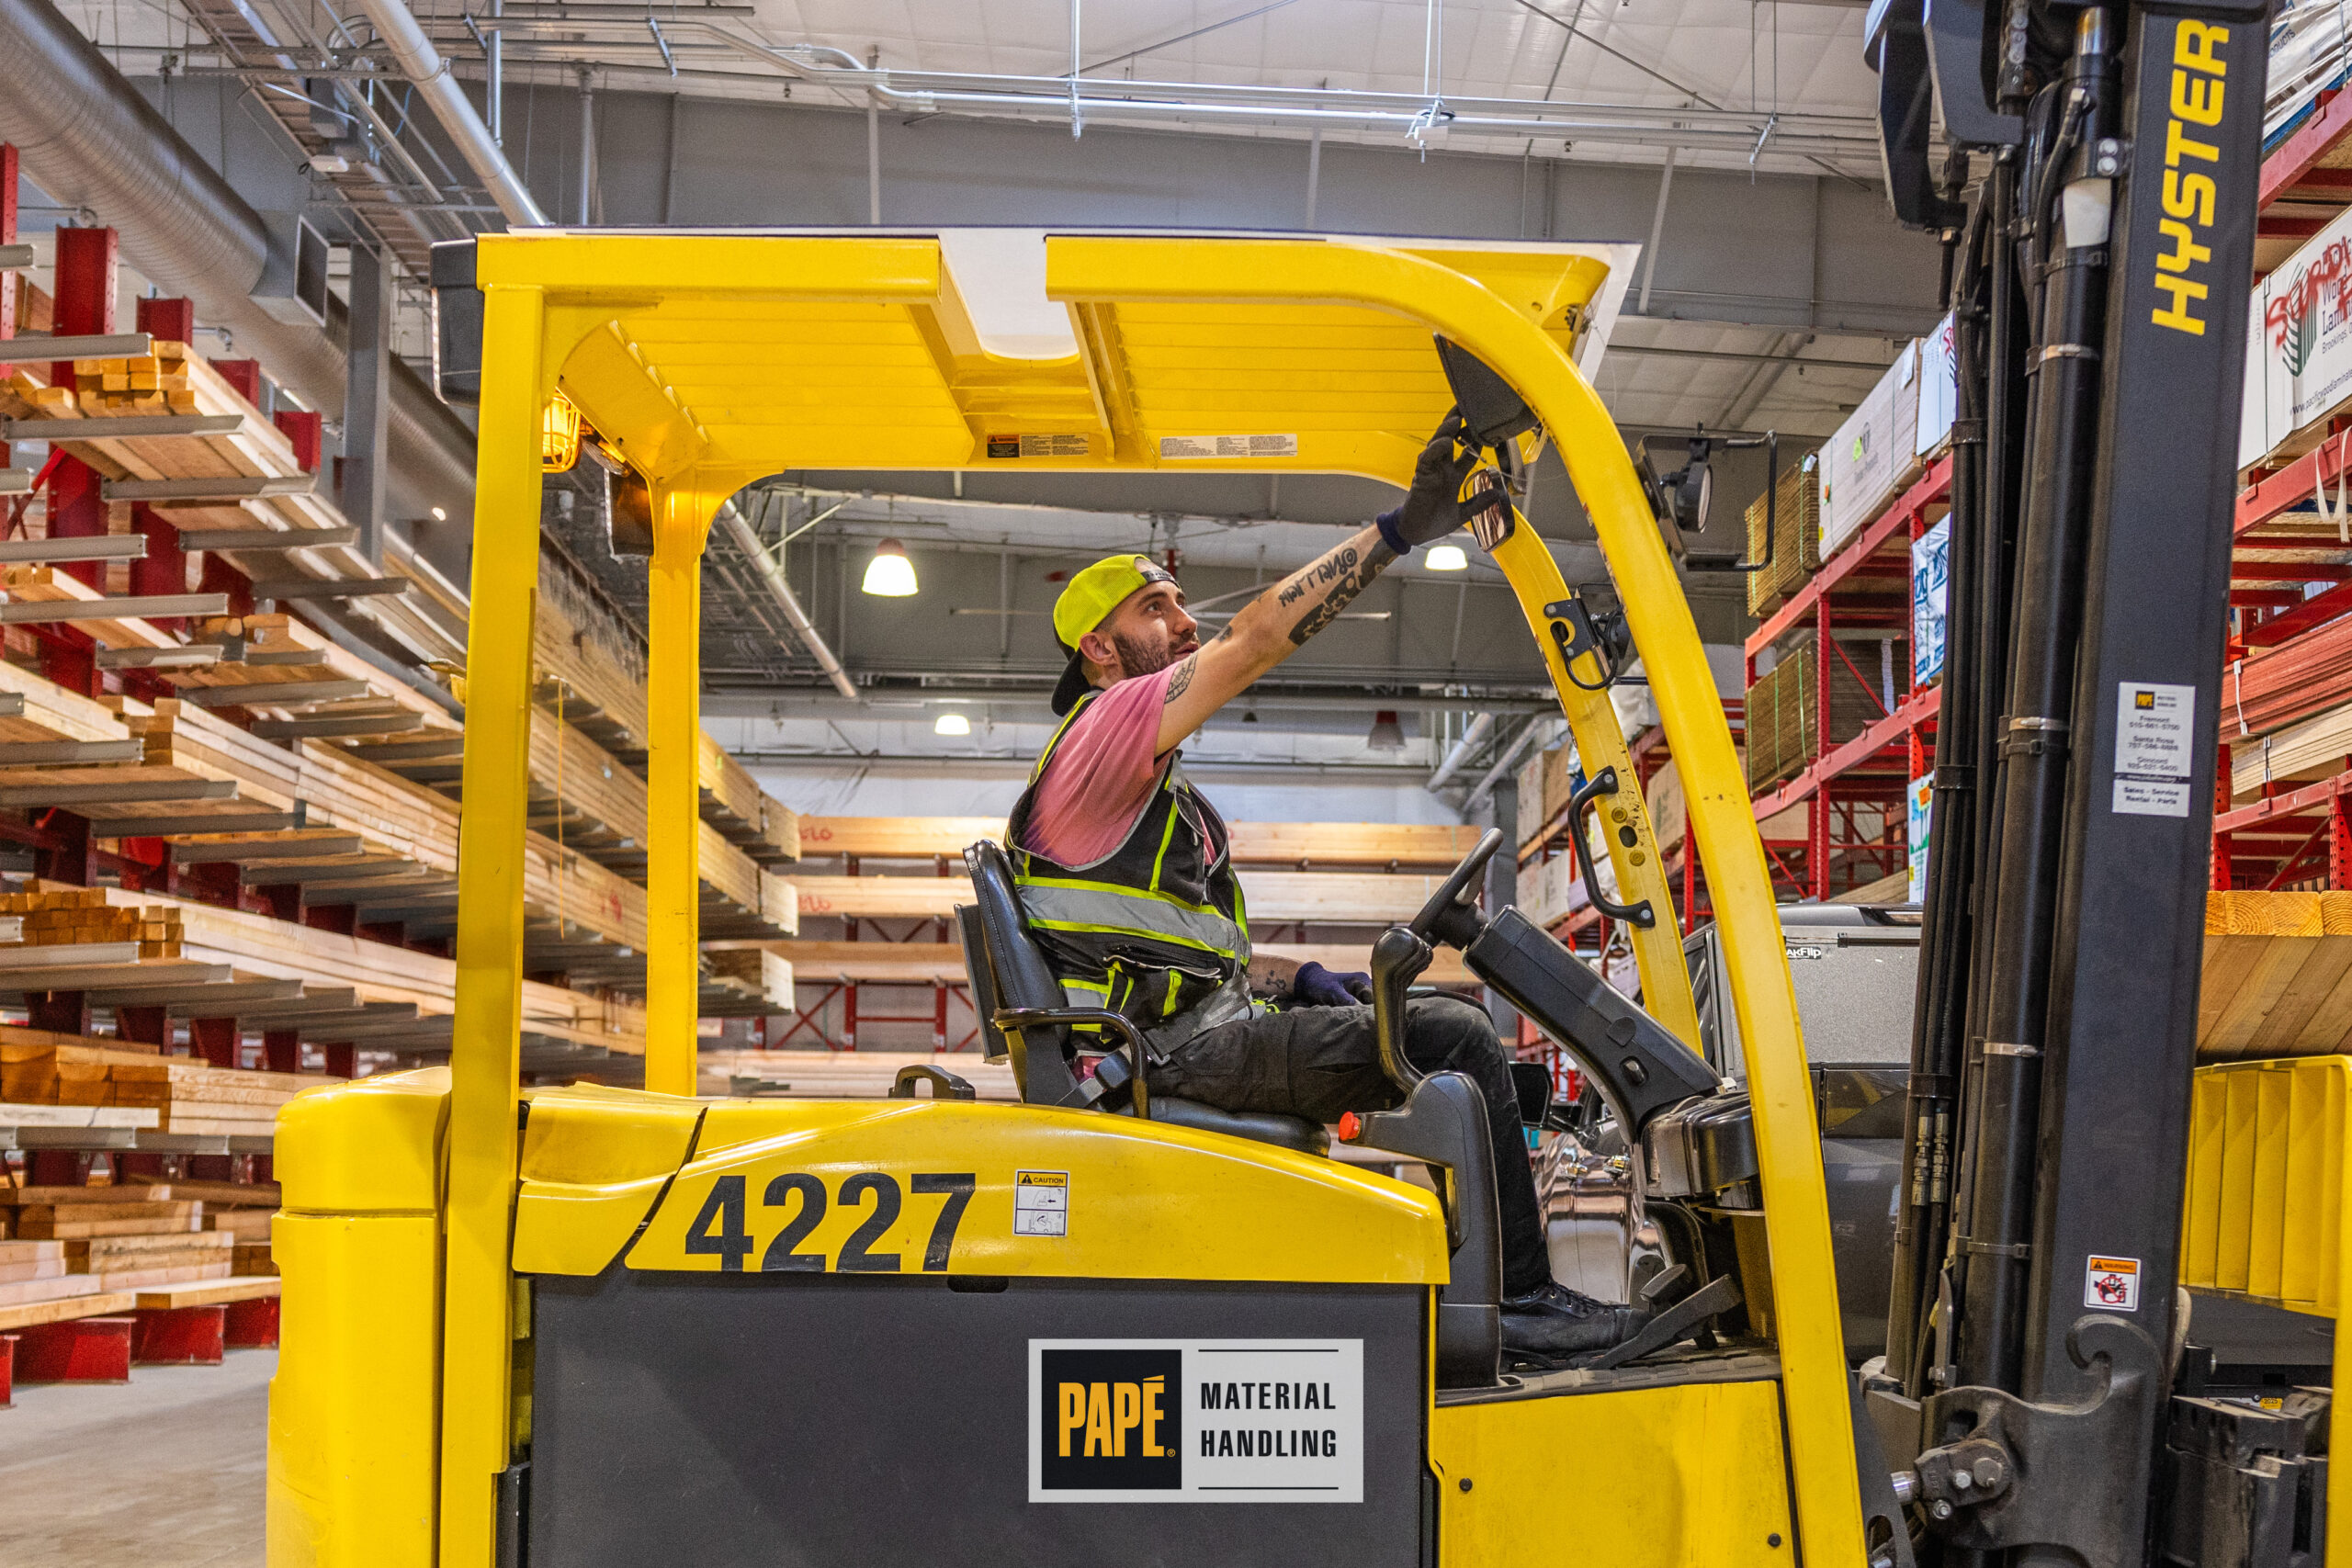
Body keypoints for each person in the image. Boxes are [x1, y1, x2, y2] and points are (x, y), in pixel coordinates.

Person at [1004, 412, 1650, 1358]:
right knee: (1456, 1034)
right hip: (1174, 1058)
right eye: (1156, 613)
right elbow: (1260, 634)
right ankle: (1516, 1304)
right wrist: (1398, 529)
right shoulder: (1111, 727)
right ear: (1100, 651)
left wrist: (1295, 977)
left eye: (1178, 607)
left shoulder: (1130, 776)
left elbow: (1161, 940)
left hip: (1174, 1040)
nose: (1184, 625)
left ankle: (1489, 1283)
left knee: (1437, 1039)